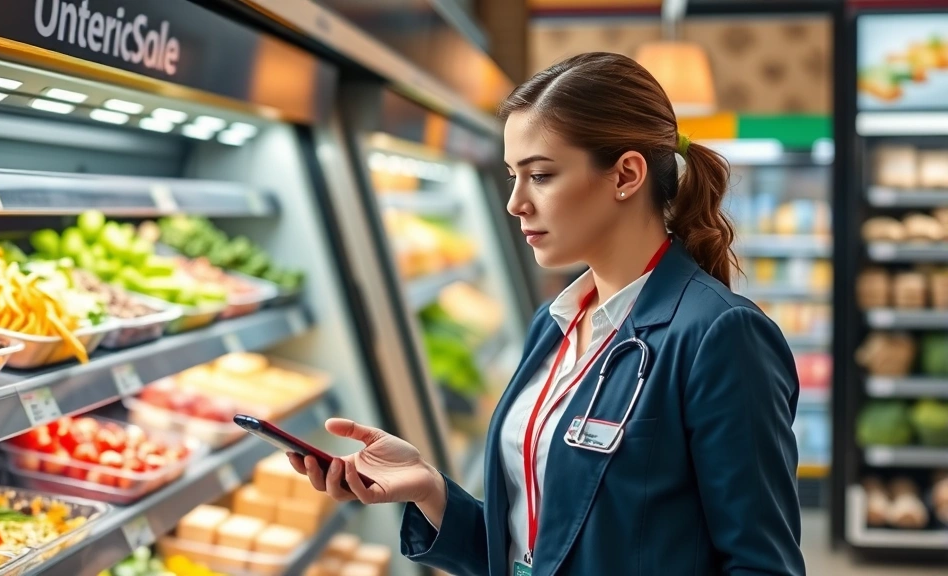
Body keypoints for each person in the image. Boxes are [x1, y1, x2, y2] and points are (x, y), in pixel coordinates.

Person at [289, 52, 806, 576]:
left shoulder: (721, 334)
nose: (515, 202)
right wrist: (429, 488)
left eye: (540, 175)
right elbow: (540, 551)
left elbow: (761, 565)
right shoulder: (554, 323)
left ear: (626, 174)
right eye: (513, 175)